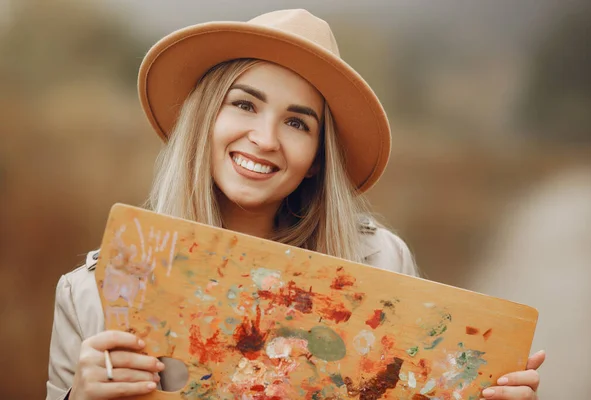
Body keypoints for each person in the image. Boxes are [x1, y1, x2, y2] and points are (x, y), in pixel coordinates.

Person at [46, 9, 545, 400]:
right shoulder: (92, 293)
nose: (264, 139)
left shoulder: (380, 266)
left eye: (298, 122)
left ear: (315, 161)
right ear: (203, 119)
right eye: (244, 104)